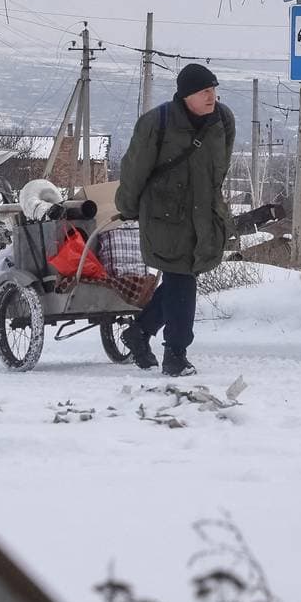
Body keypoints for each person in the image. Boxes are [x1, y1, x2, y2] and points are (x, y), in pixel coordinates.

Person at [113, 63, 236, 377]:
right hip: (165, 216)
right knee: (182, 280)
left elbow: (218, 171)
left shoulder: (223, 120)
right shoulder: (158, 122)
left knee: (181, 278)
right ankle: (176, 355)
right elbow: (135, 169)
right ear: (186, 95)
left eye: (213, 90)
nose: (212, 96)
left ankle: (139, 332)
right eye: (204, 91)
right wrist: (127, 207)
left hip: (204, 217)